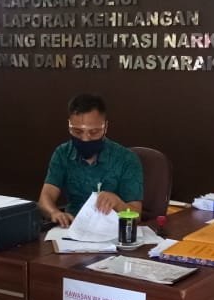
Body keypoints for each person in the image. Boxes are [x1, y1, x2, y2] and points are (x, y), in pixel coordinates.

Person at [38, 94, 143, 227]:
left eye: (93, 132)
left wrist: (118, 203)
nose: (85, 139)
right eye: (77, 131)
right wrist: (54, 212)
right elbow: (45, 199)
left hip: (112, 231)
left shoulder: (127, 159)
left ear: (105, 127)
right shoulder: (62, 153)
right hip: (71, 228)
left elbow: (137, 215)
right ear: (69, 125)